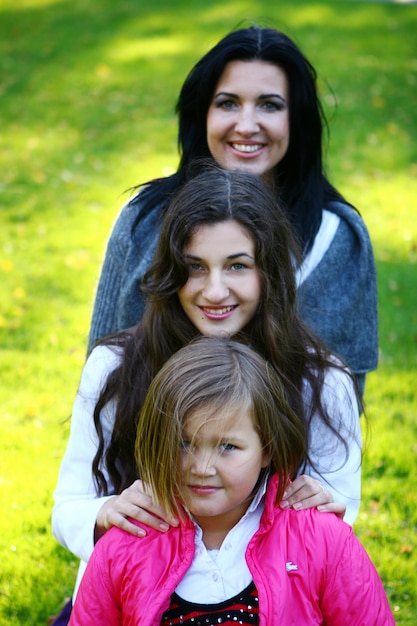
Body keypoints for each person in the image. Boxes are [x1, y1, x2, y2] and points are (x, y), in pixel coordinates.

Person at [52, 168, 362, 622]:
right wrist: (107, 513)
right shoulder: (116, 367)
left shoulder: (320, 381)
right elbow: (67, 509)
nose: (214, 291)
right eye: (195, 267)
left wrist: (322, 501)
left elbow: (337, 532)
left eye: (237, 265)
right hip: (130, 601)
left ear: (269, 272)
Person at [87, 24, 378, 396]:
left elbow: (344, 409)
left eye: (269, 105)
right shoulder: (143, 221)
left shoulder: (339, 240)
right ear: (202, 114)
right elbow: (101, 376)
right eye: (228, 103)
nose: (246, 125)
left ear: (297, 121)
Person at [68, 337, 393, 625]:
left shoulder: (321, 540)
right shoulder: (123, 545)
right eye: (184, 443)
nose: (202, 467)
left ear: (267, 449)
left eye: (227, 447)